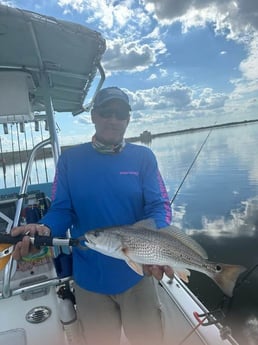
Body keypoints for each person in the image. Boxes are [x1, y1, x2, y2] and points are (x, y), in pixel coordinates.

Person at [11, 86, 173, 345]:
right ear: (94, 116)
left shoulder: (143, 157)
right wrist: (44, 228)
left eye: (120, 114)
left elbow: (159, 206)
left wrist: (159, 244)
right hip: (89, 279)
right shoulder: (70, 160)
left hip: (137, 275)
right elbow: (62, 209)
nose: (113, 119)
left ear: (128, 119)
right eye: (106, 112)